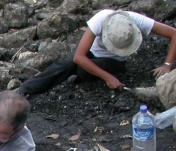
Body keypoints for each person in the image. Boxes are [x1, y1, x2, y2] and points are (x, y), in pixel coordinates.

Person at [17, 10, 176, 95]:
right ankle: (25, 89)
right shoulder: (101, 18)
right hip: (90, 53)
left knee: (83, 72)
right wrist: (108, 78)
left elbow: (174, 33)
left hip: (114, 62)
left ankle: (80, 75)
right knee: (66, 64)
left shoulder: (136, 20)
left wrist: (167, 64)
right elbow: (80, 56)